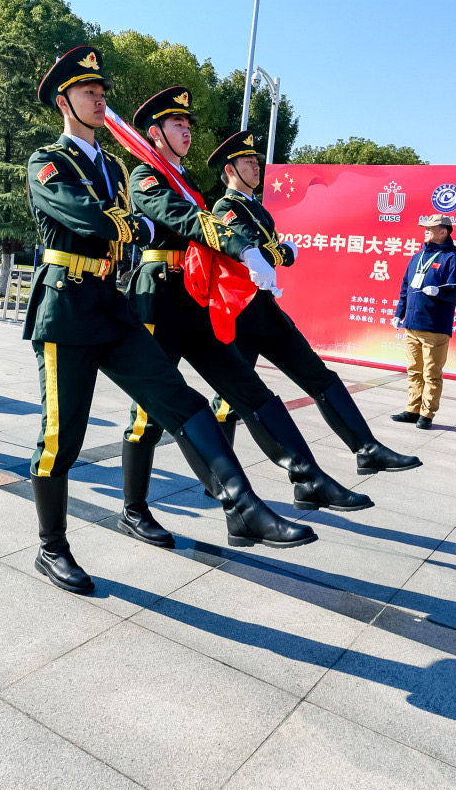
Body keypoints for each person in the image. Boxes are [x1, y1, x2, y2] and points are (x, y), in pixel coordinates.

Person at [23, 46, 315, 595]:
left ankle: (243, 504)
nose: (100, 99)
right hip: (66, 309)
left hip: (112, 302)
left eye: (102, 91)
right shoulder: (48, 161)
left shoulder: (111, 166)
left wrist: (145, 228)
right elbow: (84, 216)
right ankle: (52, 545)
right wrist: (140, 228)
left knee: (180, 403)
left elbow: (129, 222)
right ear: (64, 101)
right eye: (89, 92)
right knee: (63, 439)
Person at [117, 88, 371, 549]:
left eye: (188, 125)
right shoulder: (146, 176)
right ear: (154, 135)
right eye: (178, 126)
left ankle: (306, 475)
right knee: (146, 418)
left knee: (246, 386)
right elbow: (186, 221)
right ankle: (134, 509)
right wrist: (242, 247)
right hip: (157, 298)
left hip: (192, 297)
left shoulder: (184, 180)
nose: (187, 131)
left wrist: (250, 250)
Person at [210, 132, 424, 471]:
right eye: (247, 161)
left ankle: (367, 448)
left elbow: (271, 254)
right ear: (230, 168)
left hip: (264, 309)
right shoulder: (226, 208)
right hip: (240, 313)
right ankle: (220, 474)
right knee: (229, 398)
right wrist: (285, 251)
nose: (256, 165)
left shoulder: (257, 210)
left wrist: (280, 254)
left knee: (319, 376)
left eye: (256, 160)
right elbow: (259, 253)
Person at [391, 213, 456, 429]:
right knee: (414, 370)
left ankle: (427, 414)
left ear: (443, 232)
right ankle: (412, 409)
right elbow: (405, 287)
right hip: (412, 325)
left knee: (431, 373)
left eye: (430, 228)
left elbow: (455, 290)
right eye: (424, 227)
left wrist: (438, 292)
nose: (425, 231)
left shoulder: (452, 260)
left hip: (434, 326)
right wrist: (399, 313)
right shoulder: (417, 257)